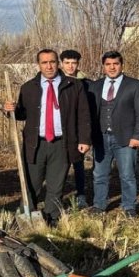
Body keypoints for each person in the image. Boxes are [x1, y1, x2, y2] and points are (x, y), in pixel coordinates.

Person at [3, 49, 91, 226]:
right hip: (36, 144)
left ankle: (51, 220)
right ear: (39, 65)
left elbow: (83, 114)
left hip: (62, 143)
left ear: (57, 63)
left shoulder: (73, 85)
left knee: (56, 186)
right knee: (31, 185)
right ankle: (25, 220)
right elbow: (22, 114)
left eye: (52, 62)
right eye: (44, 62)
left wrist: (84, 139)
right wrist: (10, 110)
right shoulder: (29, 87)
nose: (49, 66)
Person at [88, 51, 139, 218]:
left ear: (121, 65)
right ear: (103, 66)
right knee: (99, 174)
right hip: (101, 137)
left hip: (125, 138)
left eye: (115, 64)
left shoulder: (135, 85)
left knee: (127, 175)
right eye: (108, 64)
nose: (112, 67)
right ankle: (99, 205)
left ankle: (129, 206)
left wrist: (137, 136)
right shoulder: (95, 86)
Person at [60, 49, 91, 208]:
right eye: (67, 63)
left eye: (74, 63)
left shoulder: (86, 83)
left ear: (78, 64)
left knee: (79, 166)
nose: (70, 66)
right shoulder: (57, 82)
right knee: (59, 166)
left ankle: (81, 196)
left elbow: (88, 110)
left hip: (78, 132)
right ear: (62, 63)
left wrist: (85, 135)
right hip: (62, 131)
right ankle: (57, 195)